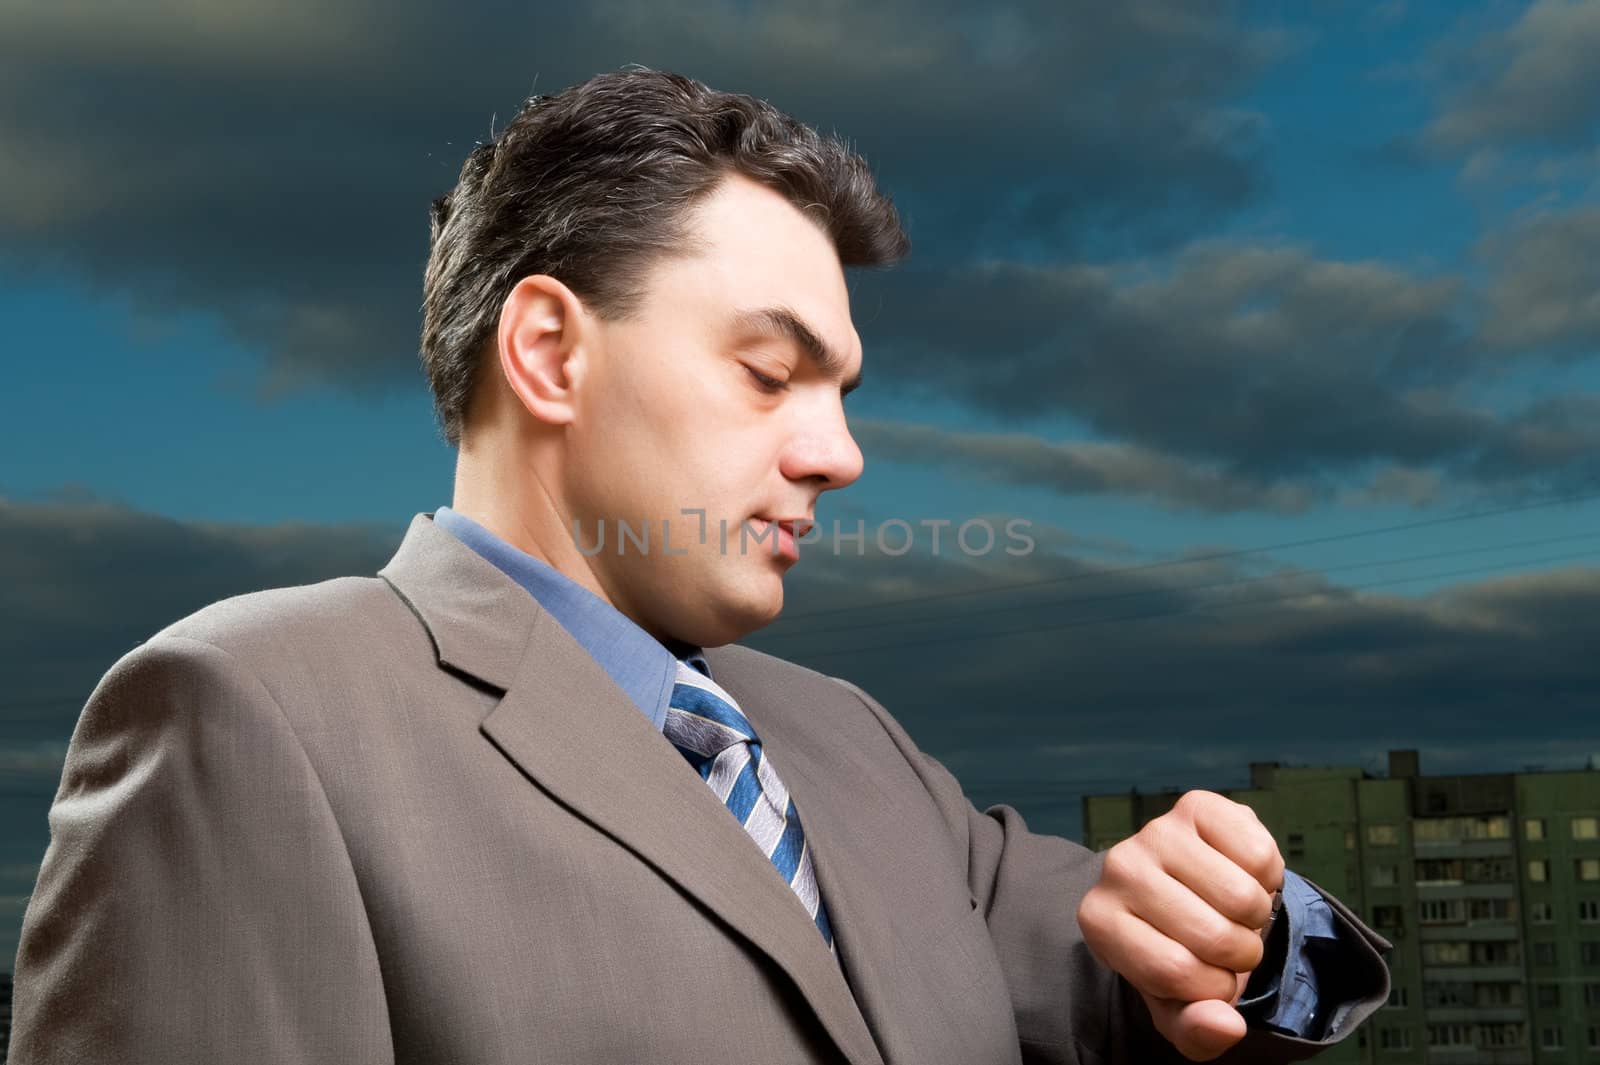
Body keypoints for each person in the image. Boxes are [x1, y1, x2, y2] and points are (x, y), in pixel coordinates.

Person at [9, 68, 1388, 1064]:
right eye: (771, 372)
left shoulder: (853, 744)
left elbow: (1153, 1002)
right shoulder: (248, 713)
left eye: (842, 390)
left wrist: (1242, 929)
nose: (840, 453)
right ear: (550, 351)